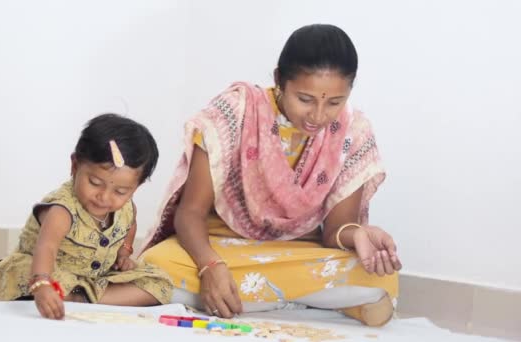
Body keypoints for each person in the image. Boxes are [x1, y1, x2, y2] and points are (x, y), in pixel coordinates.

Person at [140, 24, 401, 327]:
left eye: (334, 102)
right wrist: (210, 265)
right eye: (305, 99)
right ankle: (296, 301)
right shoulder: (233, 113)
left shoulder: (353, 132)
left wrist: (358, 235)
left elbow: (335, 231)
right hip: (220, 245)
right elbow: (190, 213)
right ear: (279, 80)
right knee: (156, 265)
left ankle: (245, 298)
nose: (318, 116)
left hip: (295, 252)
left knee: (382, 276)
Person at [0, 113, 173, 320]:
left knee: (160, 282)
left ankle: (80, 298)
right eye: (94, 182)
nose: (104, 197)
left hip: (94, 276)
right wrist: (41, 284)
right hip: (47, 270)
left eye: (120, 192)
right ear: (75, 165)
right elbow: (46, 248)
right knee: (25, 273)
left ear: (136, 187)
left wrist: (124, 252)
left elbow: (130, 224)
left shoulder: (127, 207)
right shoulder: (62, 210)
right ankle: (64, 294)